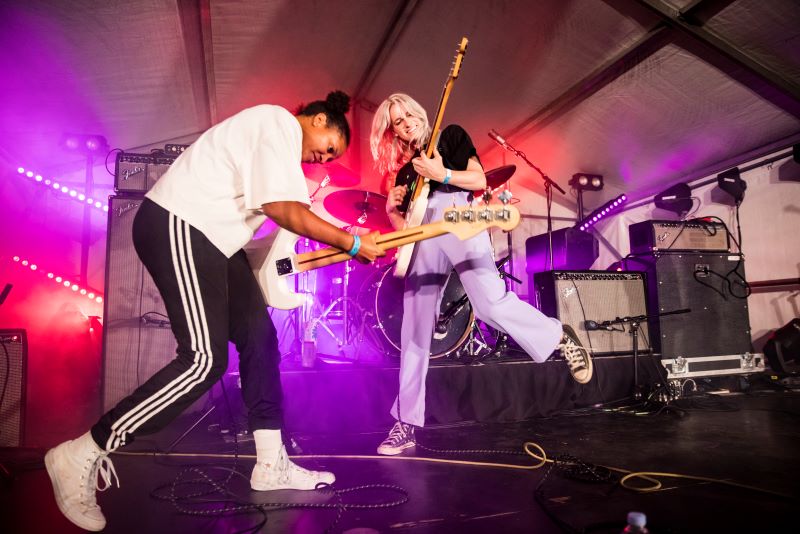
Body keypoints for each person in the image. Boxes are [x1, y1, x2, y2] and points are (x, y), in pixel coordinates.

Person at [45, 91, 384, 531]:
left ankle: (270, 464)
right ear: (318, 118)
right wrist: (352, 242)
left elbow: (275, 227)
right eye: (329, 146)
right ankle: (82, 451)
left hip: (218, 244)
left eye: (330, 157)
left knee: (261, 340)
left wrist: (325, 249)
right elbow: (283, 211)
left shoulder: (280, 154)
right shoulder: (277, 122)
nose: (323, 157)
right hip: (180, 222)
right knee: (204, 360)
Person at [369, 93, 592, 456]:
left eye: (408, 112)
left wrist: (441, 173)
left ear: (420, 112)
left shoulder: (449, 136)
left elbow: (477, 181)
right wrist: (394, 212)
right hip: (422, 234)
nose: (406, 121)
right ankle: (405, 424)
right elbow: (405, 229)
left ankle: (557, 335)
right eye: (397, 119)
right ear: (392, 130)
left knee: (489, 304)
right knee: (415, 328)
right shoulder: (405, 172)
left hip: (458, 217)